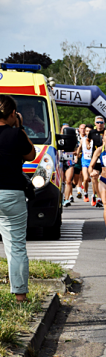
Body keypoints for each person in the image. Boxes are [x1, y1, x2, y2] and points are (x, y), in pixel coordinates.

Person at [0, 95, 36, 303]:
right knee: (16, 247)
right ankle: (20, 296)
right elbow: (31, 155)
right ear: (13, 114)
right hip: (11, 193)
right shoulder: (16, 134)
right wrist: (20, 128)